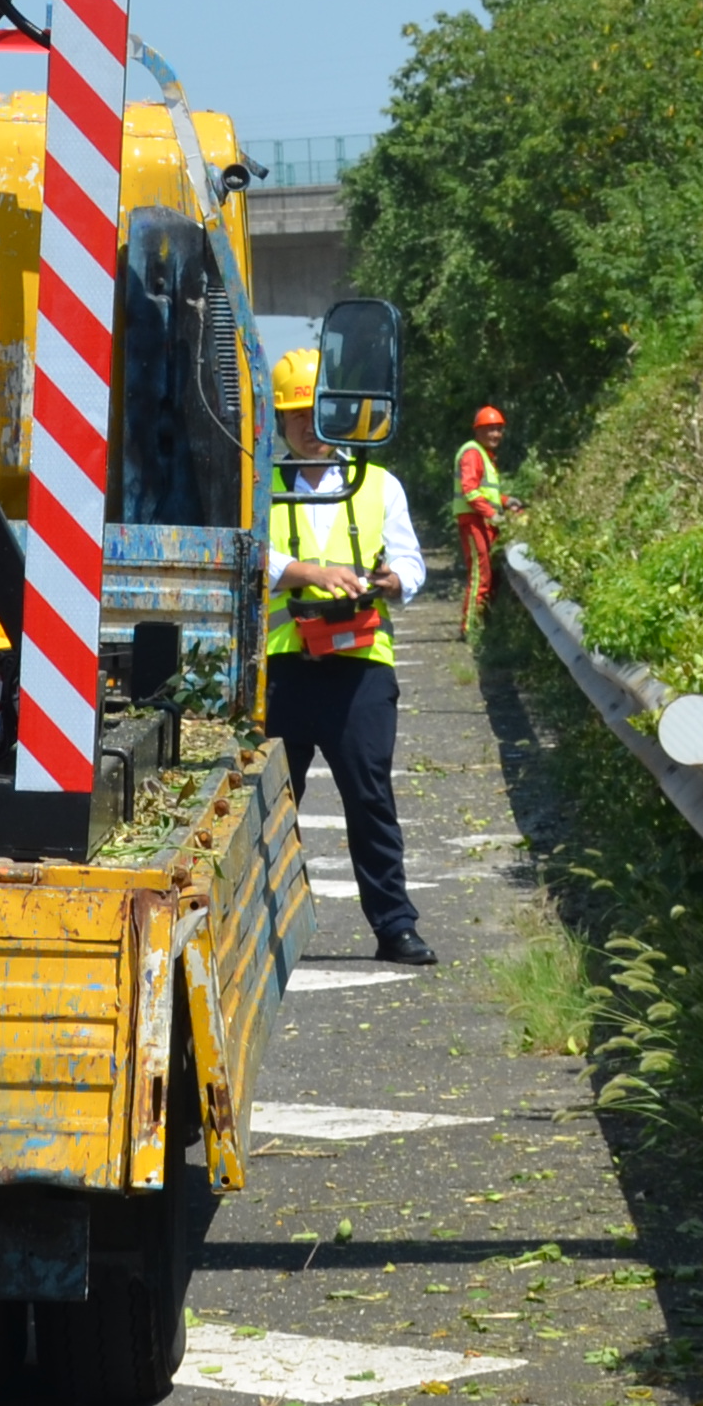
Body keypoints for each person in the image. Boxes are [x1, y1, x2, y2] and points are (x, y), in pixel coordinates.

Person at [261, 342, 433, 966]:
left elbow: (412, 564)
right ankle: (260, 929)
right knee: (273, 807)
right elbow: (248, 554)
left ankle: (395, 927)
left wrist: (392, 581)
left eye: (318, 412)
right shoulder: (261, 488)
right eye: (295, 414)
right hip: (284, 669)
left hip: (360, 669)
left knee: (370, 798)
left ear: (341, 415)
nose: (309, 426)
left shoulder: (377, 485)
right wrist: (308, 571)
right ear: (278, 422)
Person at [451, 406, 517, 637]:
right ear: (477, 431)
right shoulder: (473, 453)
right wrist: (492, 514)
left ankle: (482, 624)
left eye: (498, 430)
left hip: (481, 520)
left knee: (489, 573)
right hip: (474, 521)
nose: (495, 435)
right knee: (481, 574)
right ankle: (469, 628)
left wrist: (506, 501)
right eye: (490, 430)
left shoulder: (483, 455)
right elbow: (470, 490)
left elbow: (485, 492)